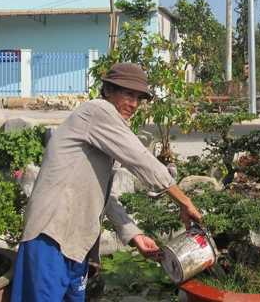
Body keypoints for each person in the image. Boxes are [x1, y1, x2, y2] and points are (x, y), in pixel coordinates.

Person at [11, 63, 202, 302]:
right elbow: (141, 160)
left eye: (139, 98)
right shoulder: (97, 110)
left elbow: (104, 194)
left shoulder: (104, 129)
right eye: (128, 94)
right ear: (108, 91)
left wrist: (134, 235)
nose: (134, 104)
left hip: (75, 242)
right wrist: (184, 202)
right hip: (51, 236)